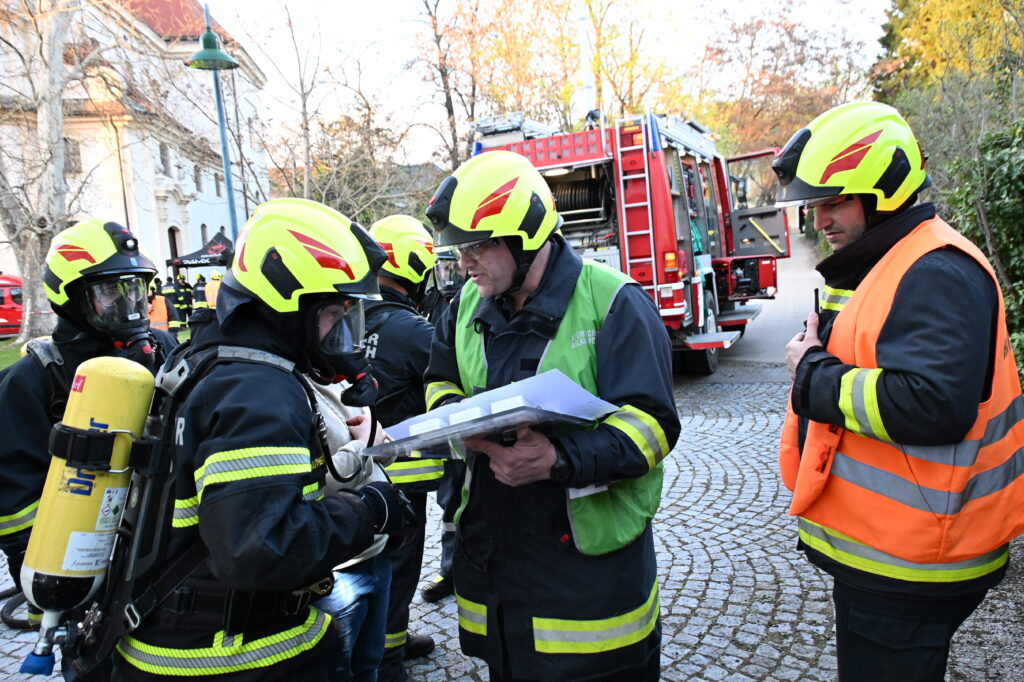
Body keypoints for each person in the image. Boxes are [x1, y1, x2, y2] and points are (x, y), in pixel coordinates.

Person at [773, 101, 1024, 681]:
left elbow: (933, 405)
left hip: (913, 563)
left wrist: (812, 373)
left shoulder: (935, 270)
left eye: (834, 202)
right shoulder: (892, 261)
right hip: (899, 553)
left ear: (885, 192)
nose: (820, 221)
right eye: (814, 206)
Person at [111, 198, 411, 681]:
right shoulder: (257, 391)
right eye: (335, 313)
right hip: (233, 658)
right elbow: (261, 547)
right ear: (290, 304)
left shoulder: (211, 361)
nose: (343, 333)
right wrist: (370, 510)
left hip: (190, 641)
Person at [423, 150, 680, 681]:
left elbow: (653, 427)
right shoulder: (465, 305)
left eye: (477, 246)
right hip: (497, 565)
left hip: (588, 580)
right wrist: (452, 416)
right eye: (459, 250)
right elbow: (439, 379)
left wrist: (557, 458)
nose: (465, 264)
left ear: (526, 236)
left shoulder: (614, 302)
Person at [0, 218, 177, 674]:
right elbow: (14, 503)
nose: (130, 304)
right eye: (111, 292)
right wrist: (60, 580)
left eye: (137, 289)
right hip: (84, 572)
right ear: (70, 298)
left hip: (159, 559)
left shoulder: (163, 350)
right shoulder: (35, 379)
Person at [363, 214, 441, 681]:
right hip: (403, 478)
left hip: (351, 473)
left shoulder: (345, 318)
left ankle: (378, 645)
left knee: (367, 568)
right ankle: (389, 661)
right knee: (398, 569)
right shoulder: (413, 330)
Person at [417, 251, 465, 605]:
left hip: (477, 428)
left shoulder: (479, 299)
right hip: (451, 429)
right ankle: (450, 568)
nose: (451, 272)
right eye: (445, 267)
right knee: (450, 502)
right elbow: (436, 372)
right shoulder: (437, 302)